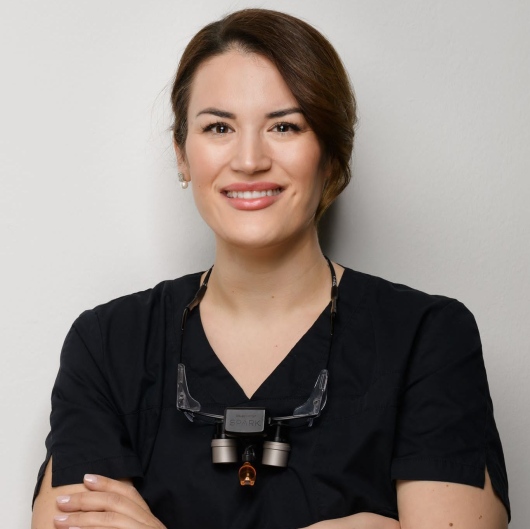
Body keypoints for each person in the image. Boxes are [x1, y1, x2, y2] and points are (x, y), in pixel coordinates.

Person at [31, 8, 510, 529]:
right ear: (183, 155)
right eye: (218, 127)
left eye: (284, 126)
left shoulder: (427, 337)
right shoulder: (109, 343)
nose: (249, 159)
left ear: (331, 153)